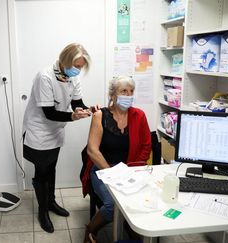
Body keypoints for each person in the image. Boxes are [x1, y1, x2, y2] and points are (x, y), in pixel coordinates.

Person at [22, 43, 100, 233]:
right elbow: (49, 112)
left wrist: (85, 109)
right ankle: (43, 212)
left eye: (81, 67)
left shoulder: (73, 78)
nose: (78, 70)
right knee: (41, 170)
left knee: (51, 167)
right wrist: (73, 116)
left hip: (56, 130)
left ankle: (51, 203)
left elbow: (76, 102)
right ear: (64, 60)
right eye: (76, 65)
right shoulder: (45, 76)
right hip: (39, 130)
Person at [83, 76, 152, 242]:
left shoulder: (139, 115)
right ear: (113, 95)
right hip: (101, 169)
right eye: (123, 91)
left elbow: (146, 146)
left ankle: (131, 227)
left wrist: (135, 168)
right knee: (113, 204)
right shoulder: (100, 115)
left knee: (144, 199)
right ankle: (91, 230)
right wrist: (112, 173)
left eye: (131, 91)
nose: (128, 95)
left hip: (129, 169)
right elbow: (92, 150)